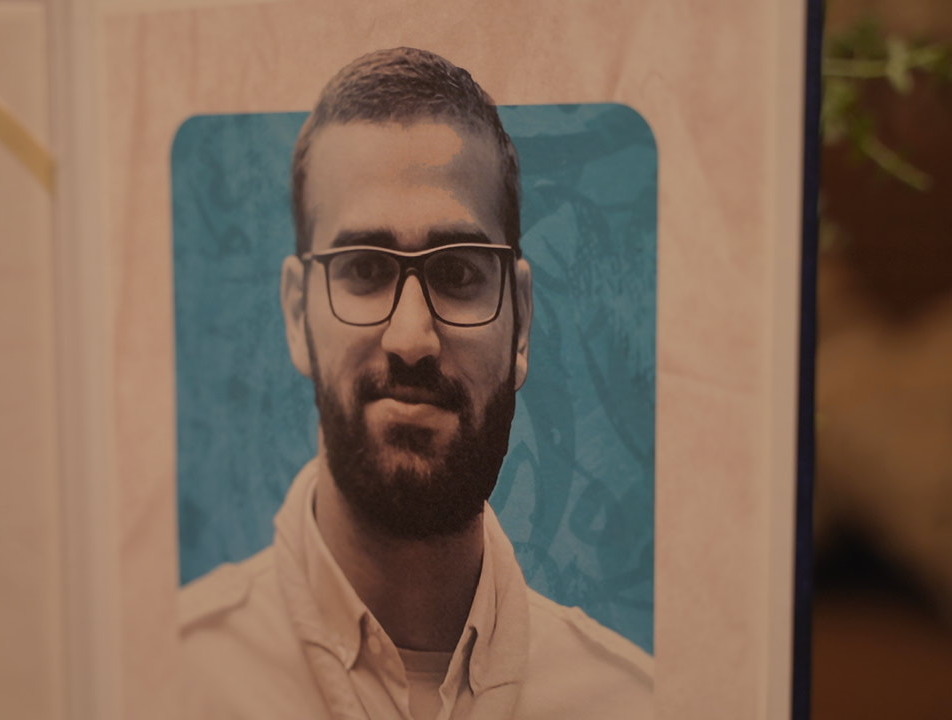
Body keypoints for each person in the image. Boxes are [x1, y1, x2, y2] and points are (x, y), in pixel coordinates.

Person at [179, 47, 653, 719]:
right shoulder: (167, 682)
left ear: (521, 323)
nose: (411, 338)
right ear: (297, 315)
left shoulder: (634, 704)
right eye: (365, 269)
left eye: (457, 273)